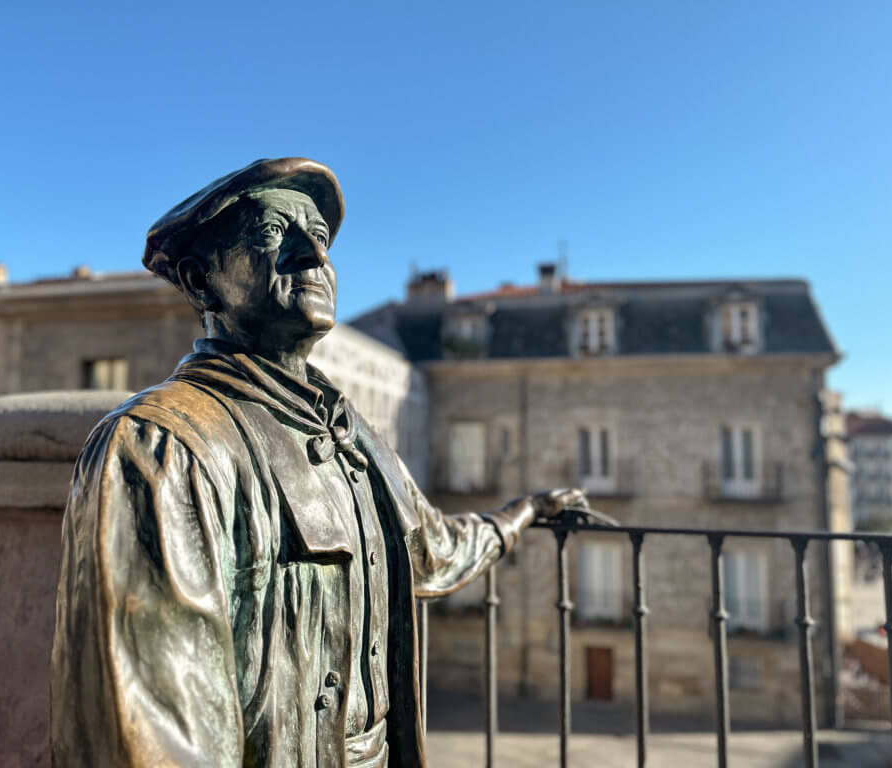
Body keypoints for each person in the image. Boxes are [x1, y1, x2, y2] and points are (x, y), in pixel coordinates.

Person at [50, 157, 587, 767]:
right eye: (276, 235)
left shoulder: (347, 430)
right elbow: (155, 734)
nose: (315, 257)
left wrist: (525, 512)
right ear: (203, 282)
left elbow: (432, 550)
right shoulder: (161, 447)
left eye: (322, 240)